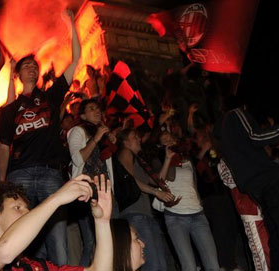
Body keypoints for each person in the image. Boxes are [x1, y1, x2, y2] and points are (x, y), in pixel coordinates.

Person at [0, 9, 81, 264]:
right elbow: (3, 146)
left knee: (57, 239)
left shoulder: (51, 97)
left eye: (35, 66)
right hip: (19, 175)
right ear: (18, 75)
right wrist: (2, 182)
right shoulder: (10, 109)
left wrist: (71, 24)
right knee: (20, 240)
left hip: (50, 174)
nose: (32, 68)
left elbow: (76, 59)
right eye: (26, 66)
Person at [0, 174, 113, 271]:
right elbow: (4, 253)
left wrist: (102, 222)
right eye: (17, 207)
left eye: (28, 209)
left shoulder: (39, 266)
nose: (27, 213)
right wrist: (56, 198)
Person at [215, 106, 279, 271]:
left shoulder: (222, 135)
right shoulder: (235, 113)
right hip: (269, 182)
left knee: (277, 236)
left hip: (256, 188)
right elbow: (256, 136)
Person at [158, 134, 220, 271]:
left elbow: (194, 184)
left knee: (213, 265)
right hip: (176, 217)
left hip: (198, 215)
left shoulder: (187, 160)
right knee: (189, 266)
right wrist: (168, 158)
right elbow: (160, 181)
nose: (169, 140)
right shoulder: (159, 160)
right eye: (164, 139)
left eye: (171, 138)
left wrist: (199, 202)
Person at [67, 98, 116, 265]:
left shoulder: (103, 136)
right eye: (92, 109)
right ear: (83, 115)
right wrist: (96, 138)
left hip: (104, 193)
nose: (97, 111)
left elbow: (106, 167)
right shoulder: (77, 131)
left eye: (98, 109)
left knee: (108, 241)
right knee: (91, 242)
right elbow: (77, 158)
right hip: (86, 194)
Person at [117, 129, 174, 271]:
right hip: (135, 213)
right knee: (152, 264)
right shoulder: (125, 152)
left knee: (160, 264)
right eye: (134, 136)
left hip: (146, 214)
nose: (138, 138)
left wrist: (167, 158)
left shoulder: (140, 161)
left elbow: (157, 180)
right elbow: (130, 179)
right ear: (125, 142)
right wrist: (156, 193)